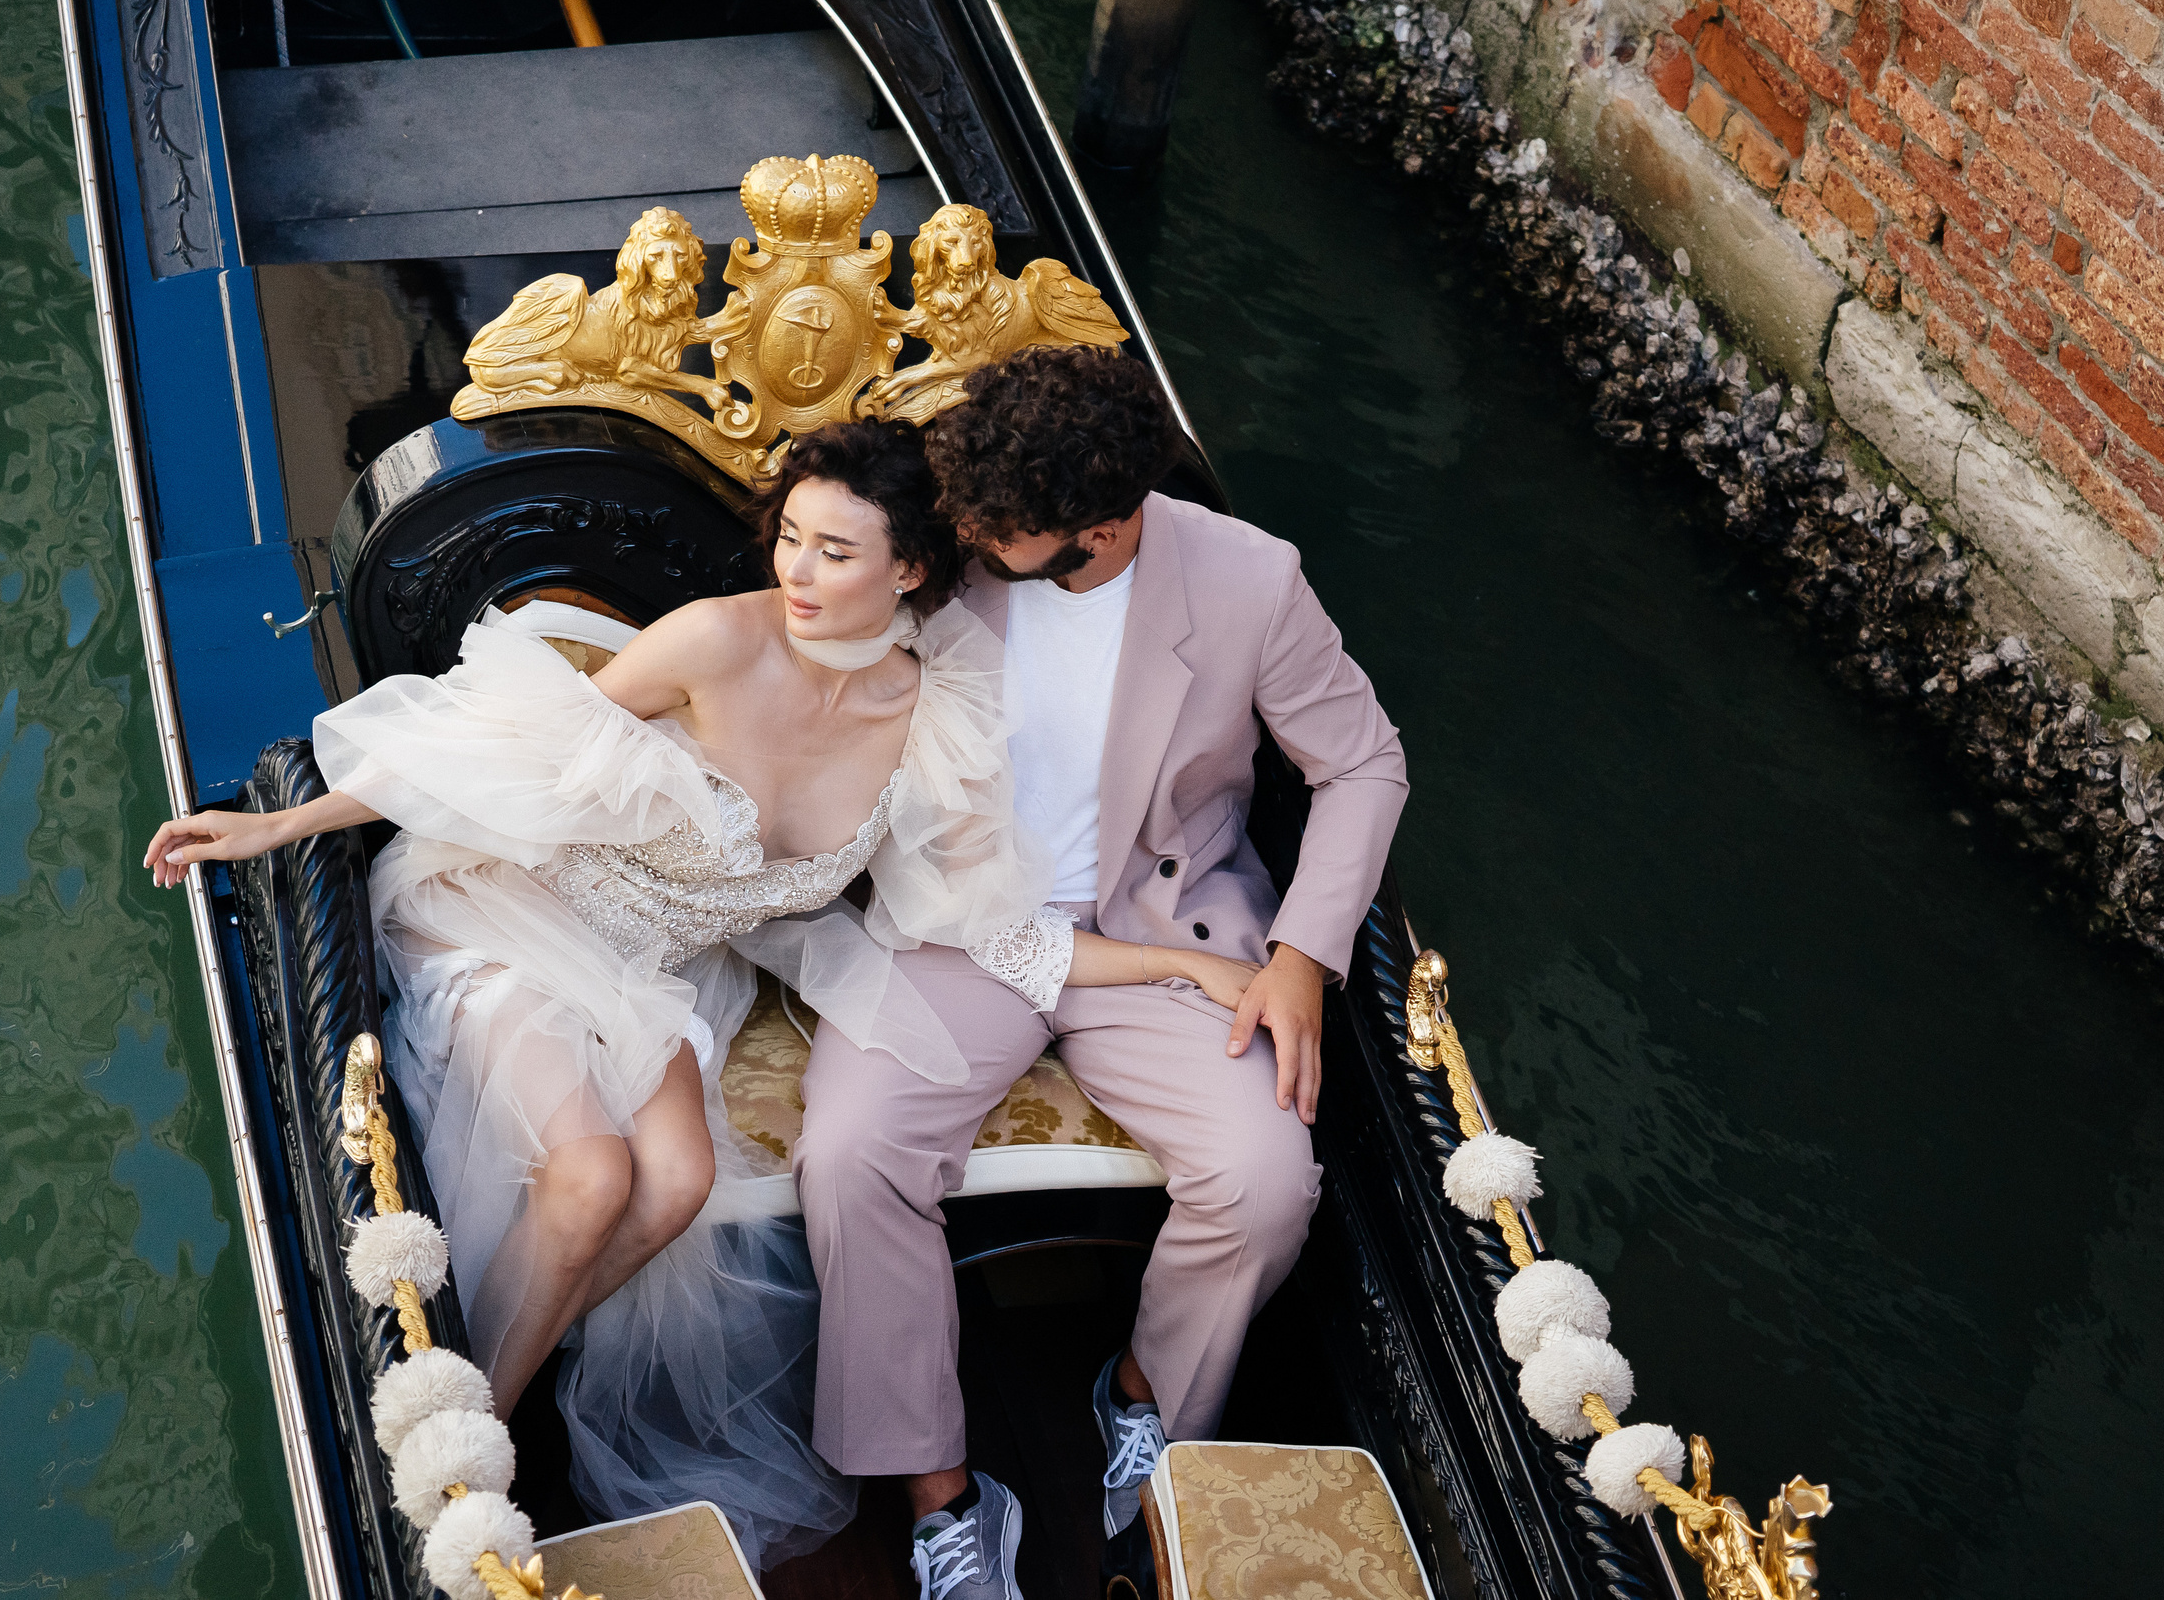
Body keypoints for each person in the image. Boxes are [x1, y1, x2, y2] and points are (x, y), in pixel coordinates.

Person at [138, 418, 1259, 1568]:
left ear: (910, 570)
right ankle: (450, 1481)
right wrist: (284, 823)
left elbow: (993, 930)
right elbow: (495, 743)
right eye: (791, 537)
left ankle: (472, 1404)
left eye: (835, 551)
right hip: (510, 909)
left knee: (674, 1184)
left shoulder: (934, 711)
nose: (797, 571)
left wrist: (1180, 962)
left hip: (652, 969)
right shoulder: (718, 641)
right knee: (592, 1176)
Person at [793, 348, 1408, 1596]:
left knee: (1264, 1183)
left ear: (1102, 528)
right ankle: (941, 1499)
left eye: (997, 531)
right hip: (958, 925)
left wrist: (1300, 956)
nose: (965, 540)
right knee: (851, 1155)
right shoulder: (958, 533)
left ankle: (1143, 1399)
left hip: (1165, 940)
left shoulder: (1250, 581)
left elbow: (1361, 763)